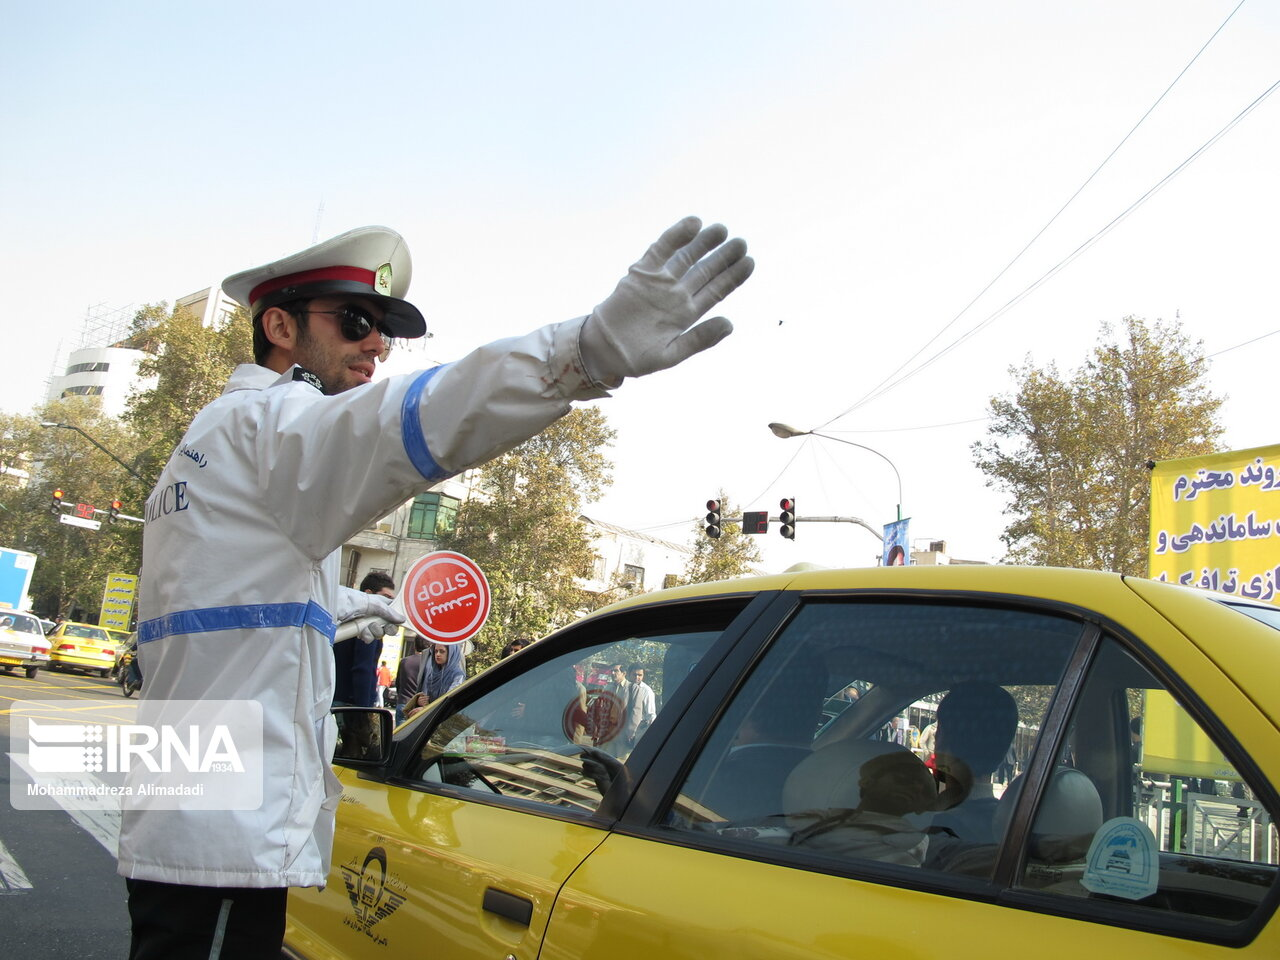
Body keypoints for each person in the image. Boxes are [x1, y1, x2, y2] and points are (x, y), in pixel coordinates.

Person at [117, 216, 753, 959]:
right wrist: (582, 353)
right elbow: (407, 421)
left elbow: (223, 603)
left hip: (183, 806)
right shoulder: (276, 422)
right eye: (355, 321)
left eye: (384, 329)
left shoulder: (204, 446)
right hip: (229, 829)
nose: (377, 345)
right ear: (280, 326)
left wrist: (353, 607)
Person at [333, 571, 398, 707]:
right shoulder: (368, 626)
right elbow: (363, 668)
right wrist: (364, 710)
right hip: (351, 704)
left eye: (391, 600)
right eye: (385, 597)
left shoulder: (343, 620)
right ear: (368, 594)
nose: (388, 604)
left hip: (336, 697)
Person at [405, 642, 467, 719]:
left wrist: (425, 709)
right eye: (436, 651)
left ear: (451, 653)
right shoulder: (433, 673)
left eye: (442, 651)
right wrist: (420, 701)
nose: (438, 654)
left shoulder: (457, 675)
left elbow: (449, 700)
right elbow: (427, 696)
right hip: (430, 717)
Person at [394, 635, 428, 722]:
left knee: (399, 734)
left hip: (403, 702)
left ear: (414, 645)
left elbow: (398, 683)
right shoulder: (429, 663)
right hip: (419, 706)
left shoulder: (404, 661)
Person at [623, 665, 656, 747]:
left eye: (640, 675)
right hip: (622, 727)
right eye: (634, 674)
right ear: (629, 674)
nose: (637, 677)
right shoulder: (624, 687)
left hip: (639, 729)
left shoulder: (646, 691)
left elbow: (651, 714)